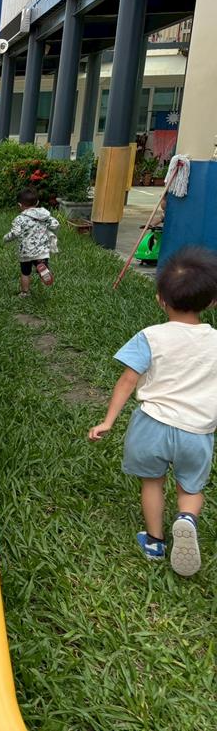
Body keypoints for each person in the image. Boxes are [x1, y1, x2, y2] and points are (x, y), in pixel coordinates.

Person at [88, 246, 217, 577]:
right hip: (197, 430)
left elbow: (127, 381)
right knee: (190, 489)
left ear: (160, 298)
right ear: (212, 302)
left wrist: (108, 420)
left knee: (152, 482)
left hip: (152, 425)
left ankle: (155, 542)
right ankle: (186, 518)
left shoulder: (151, 337)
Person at [3, 187, 59, 296]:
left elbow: (16, 233)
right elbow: (55, 224)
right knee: (41, 264)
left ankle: (25, 292)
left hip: (26, 252)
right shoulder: (44, 216)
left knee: (25, 273)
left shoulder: (19, 219)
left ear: (20, 205)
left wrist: (6, 238)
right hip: (41, 251)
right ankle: (43, 269)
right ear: (37, 202)